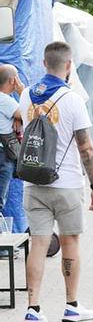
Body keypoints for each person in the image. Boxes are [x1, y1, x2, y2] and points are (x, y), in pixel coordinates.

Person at [19, 42, 93, 322]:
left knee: (38, 243)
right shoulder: (73, 99)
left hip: (33, 182)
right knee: (70, 242)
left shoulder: (26, 96)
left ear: (44, 63)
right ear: (69, 66)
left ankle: (33, 308)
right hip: (66, 184)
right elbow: (87, 148)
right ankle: (71, 305)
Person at [0, 64, 24, 211]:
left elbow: (20, 114)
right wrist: (23, 92)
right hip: (3, 155)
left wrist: (17, 117)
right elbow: (31, 114)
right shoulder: (4, 100)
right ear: (12, 80)